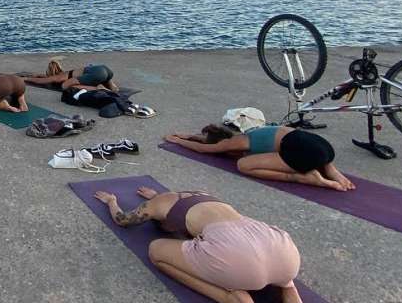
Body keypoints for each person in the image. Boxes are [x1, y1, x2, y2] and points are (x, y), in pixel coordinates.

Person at [92, 186, 303, 303]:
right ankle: (287, 285)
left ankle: (231, 297)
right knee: (284, 278)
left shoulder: (157, 204)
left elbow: (123, 220)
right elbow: (181, 204)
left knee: (155, 250)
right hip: (280, 249)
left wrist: (112, 201)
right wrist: (156, 197)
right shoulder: (207, 194)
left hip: (238, 260)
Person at [164, 124, 354, 192]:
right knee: (311, 155)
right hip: (320, 145)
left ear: (222, 143)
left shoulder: (234, 143)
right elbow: (206, 140)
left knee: (244, 164)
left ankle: (306, 177)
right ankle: (330, 169)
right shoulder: (250, 134)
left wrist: (177, 141)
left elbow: (203, 149)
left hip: (302, 152)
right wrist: (187, 135)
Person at [20, 59, 120, 92]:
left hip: (96, 74)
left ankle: (97, 88)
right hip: (104, 69)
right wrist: (37, 75)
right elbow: (45, 77)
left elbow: (41, 81)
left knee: (65, 86)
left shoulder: (57, 77)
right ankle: (112, 87)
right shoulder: (65, 73)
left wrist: (26, 78)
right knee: (110, 85)